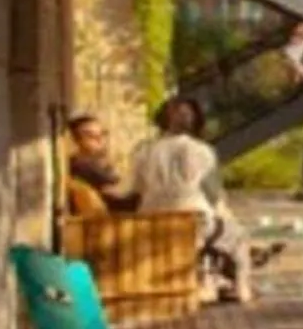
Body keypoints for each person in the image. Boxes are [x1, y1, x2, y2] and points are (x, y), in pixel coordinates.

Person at [136, 94, 253, 303]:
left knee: (214, 233)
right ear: (197, 122)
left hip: (151, 221)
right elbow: (214, 195)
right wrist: (227, 218)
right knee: (236, 235)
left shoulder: (143, 151)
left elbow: (132, 188)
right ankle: (240, 287)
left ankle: (210, 279)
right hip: (193, 221)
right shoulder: (202, 151)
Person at [64, 111, 138, 215]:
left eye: (102, 134)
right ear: (76, 140)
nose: (99, 139)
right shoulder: (83, 165)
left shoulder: (91, 162)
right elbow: (117, 190)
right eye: (90, 136)